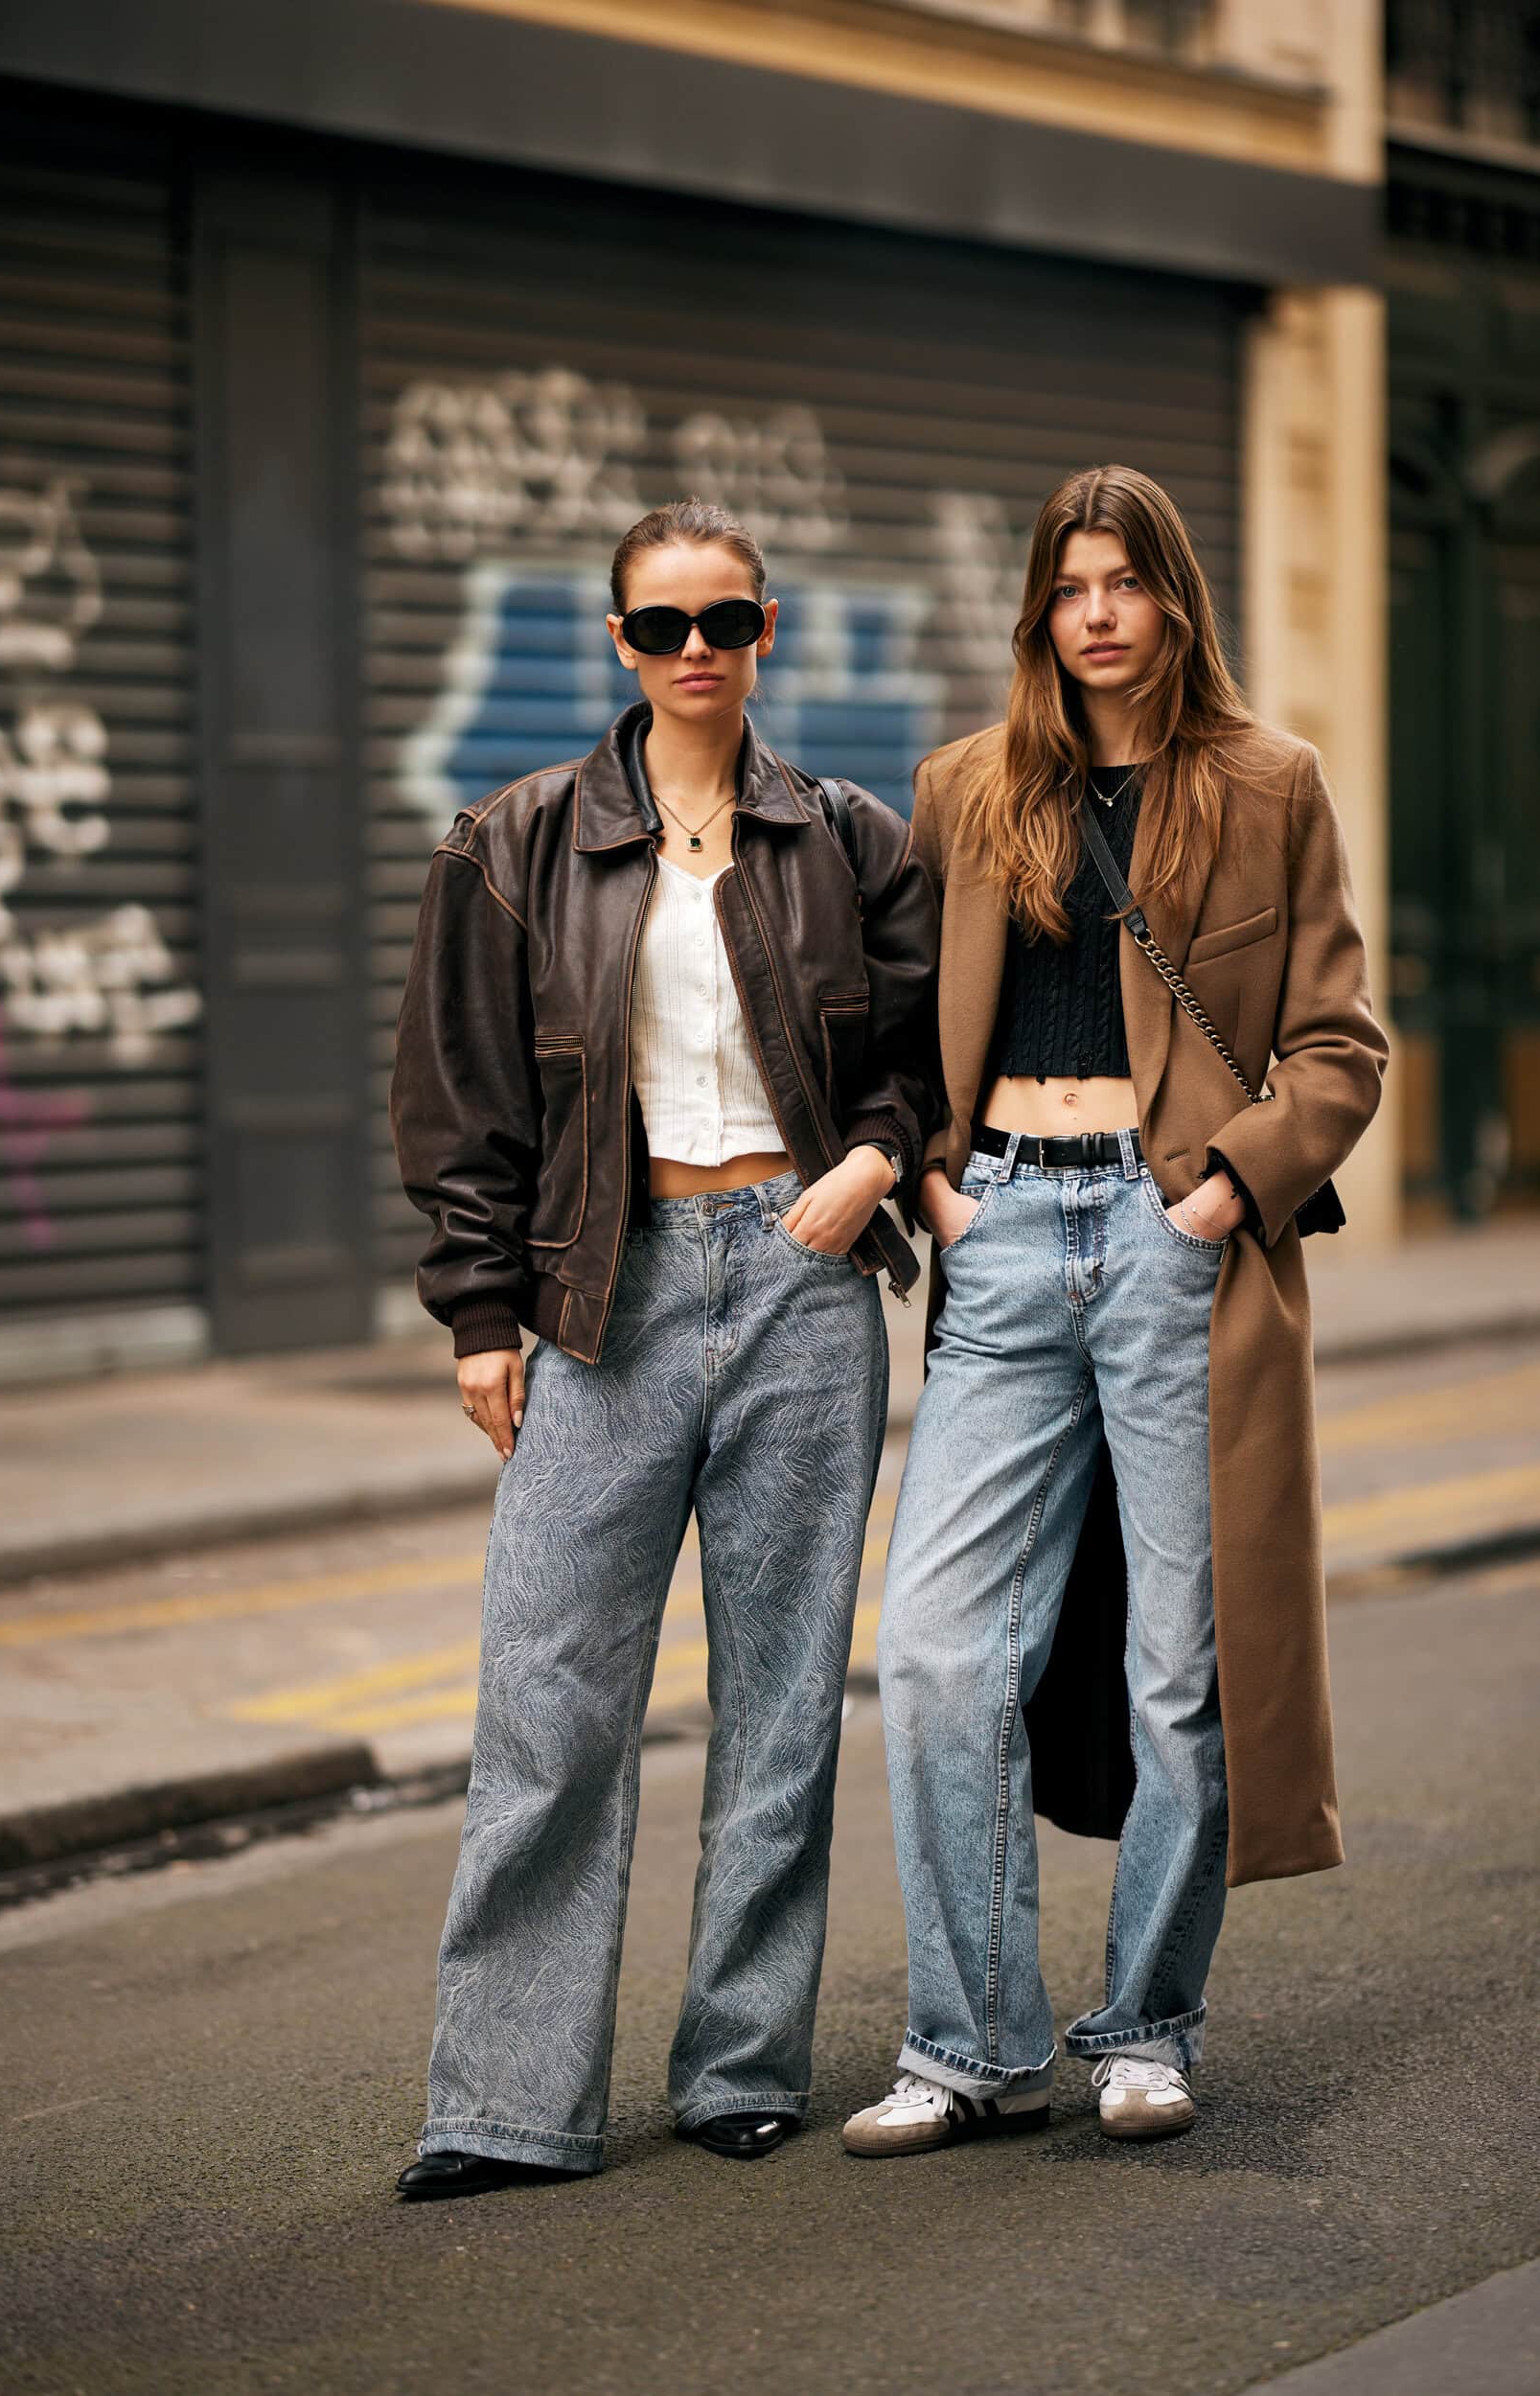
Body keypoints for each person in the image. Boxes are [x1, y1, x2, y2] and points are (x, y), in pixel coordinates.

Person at [389, 497, 939, 2200]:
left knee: (781, 1705)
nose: (694, 652)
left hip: (799, 1281)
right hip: (602, 1298)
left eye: (725, 621)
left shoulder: (849, 838)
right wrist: (482, 1311)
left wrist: (863, 1167)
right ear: (616, 641)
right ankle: (503, 2101)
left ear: (765, 631)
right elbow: (458, 1098)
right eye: (659, 626)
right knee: (548, 1704)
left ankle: (743, 2061)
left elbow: (926, 1062)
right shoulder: (515, 840)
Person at [843, 463, 1389, 2159]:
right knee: (937, 1654)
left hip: (1174, 1248)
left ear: (1174, 600)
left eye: (1126, 581)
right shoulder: (966, 787)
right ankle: (971, 2044)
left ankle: (1146, 2024)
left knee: (1179, 1665)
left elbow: (1338, 1046)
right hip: (1001, 1233)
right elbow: (893, 1019)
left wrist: (1221, 1192)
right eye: (1071, 582)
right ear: (1040, 606)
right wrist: (940, 1184)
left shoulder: (1268, 783)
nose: (1098, 610)